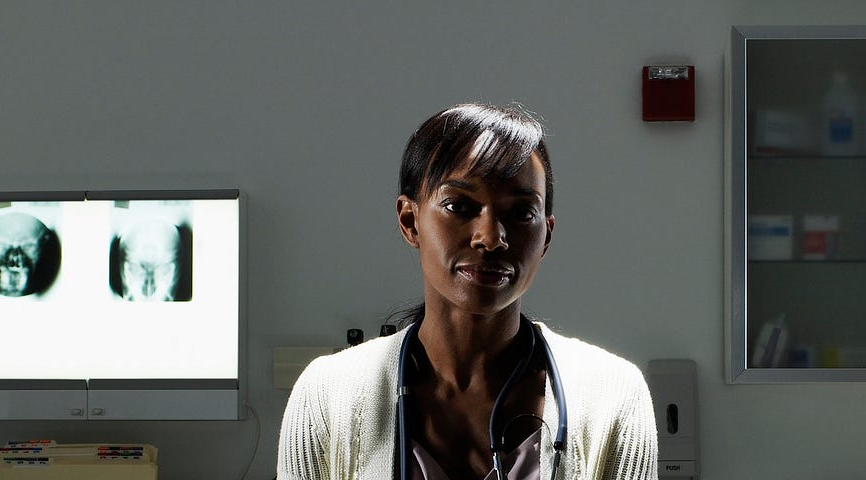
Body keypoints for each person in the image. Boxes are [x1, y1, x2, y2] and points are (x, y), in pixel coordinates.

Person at [278, 103, 658, 480]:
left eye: (522, 213)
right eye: (459, 206)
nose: (491, 238)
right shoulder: (329, 394)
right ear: (410, 222)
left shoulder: (614, 397)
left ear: (546, 235)